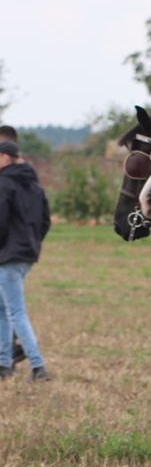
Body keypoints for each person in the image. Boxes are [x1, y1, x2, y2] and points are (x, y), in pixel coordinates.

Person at [0, 140, 52, 381]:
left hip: (9, 255)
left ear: (6, 158)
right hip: (27, 254)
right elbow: (45, 222)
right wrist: (32, 243)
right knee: (3, 310)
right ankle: (4, 363)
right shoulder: (34, 185)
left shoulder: (4, 184)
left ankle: (37, 366)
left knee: (15, 312)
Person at [0, 126, 26, 366]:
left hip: (8, 251)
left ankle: (17, 346)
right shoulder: (24, 177)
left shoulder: (10, 180)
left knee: (10, 306)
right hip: (19, 250)